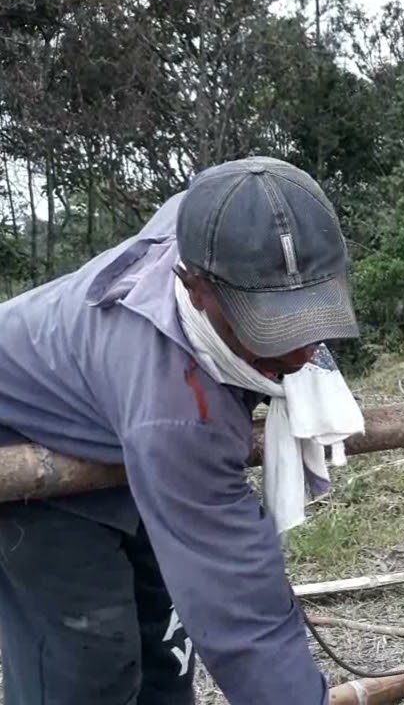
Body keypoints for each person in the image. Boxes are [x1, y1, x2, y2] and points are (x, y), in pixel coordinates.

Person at [0, 156, 364, 705]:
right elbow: (244, 617)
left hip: (116, 430)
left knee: (167, 654)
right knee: (88, 666)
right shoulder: (180, 407)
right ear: (194, 288)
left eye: (310, 311)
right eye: (271, 323)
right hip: (22, 435)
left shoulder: (216, 225)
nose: (303, 349)